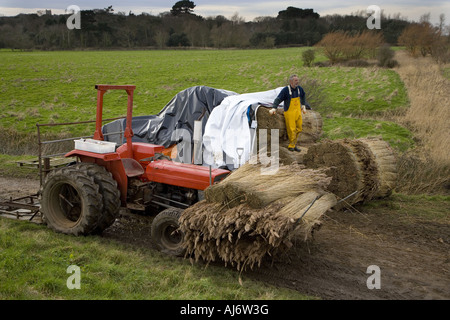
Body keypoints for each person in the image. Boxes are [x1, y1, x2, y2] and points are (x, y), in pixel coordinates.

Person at [270, 74, 307, 152]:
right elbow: (278, 99)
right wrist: (274, 108)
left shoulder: (299, 89)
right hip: (289, 112)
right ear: (291, 81)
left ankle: (294, 144)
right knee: (291, 129)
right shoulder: (285, 90)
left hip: (298, 112)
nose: (297, 82)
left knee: (299, 128)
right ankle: (291, 145)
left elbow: (303, 96)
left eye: (297, 80)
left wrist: (303, 105)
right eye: (295, 80)